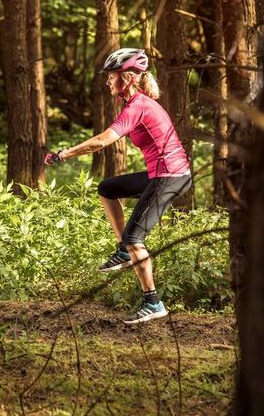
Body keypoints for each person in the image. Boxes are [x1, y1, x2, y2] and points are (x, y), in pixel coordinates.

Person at [44, 48, 191, 324]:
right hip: (163, 173)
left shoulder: (138, 105)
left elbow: (102, 141)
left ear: (129, 78)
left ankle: (153, 302)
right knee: (107, 188)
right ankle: (123, 250)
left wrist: (64, 154)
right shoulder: (137, 104)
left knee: (135, 238)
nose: (108, 82)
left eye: (112, 77)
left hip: (170, 176)